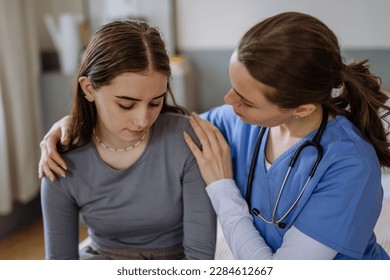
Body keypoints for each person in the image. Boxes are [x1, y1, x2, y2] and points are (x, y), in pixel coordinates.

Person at [39, 12, 390, 260]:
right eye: (232, 85)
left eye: (245, 99)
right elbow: (159, 128)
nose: (227, 101)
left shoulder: (349, 166)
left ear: (300, 108)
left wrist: (222, 188)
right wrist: (71, 123)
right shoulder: (238, 122)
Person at [39, 19, 216, 260]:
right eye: (126, 104)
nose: (143, 120)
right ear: (89, 89)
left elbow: (199, 261)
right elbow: (60, 264)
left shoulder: (186, 141)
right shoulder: (60, 157)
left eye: (155, 102)